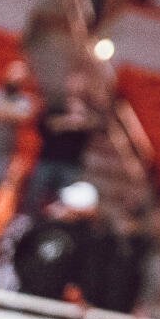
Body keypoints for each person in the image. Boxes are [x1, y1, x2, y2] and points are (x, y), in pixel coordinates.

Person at [22, 75, 101, 214]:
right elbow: (47, 125)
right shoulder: (55, 105)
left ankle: (53, 225)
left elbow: (92, 126)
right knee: (34, 194)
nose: (75, 88)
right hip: (48, 157)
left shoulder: (88, 108)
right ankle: (27, 219)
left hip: (71, 163)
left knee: (65, 199)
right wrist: (70, 122)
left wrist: (74, 122)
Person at [13, 181, 102, 301]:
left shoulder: (90, 240)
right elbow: (22, 252)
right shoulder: (44, 225)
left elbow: (88, 275)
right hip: (27, 294)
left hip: (58, 304)